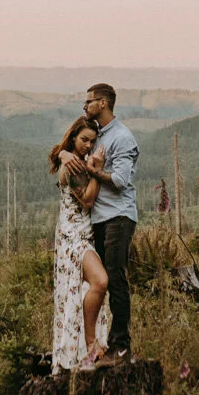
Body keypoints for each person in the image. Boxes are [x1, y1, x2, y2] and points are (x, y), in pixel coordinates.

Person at [58, 83, 138, 366]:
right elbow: (73, 146)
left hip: (118, 217)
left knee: (114, 280)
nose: (85, 106)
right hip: (97, 223)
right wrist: (63, 154)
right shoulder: (98, 134)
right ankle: (91, 345)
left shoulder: (122, 137)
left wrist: (95, 171)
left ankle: (120, 347)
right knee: (101, 282)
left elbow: (121, 180)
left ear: (103, 103)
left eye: (89, 101)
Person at [48, 116, 110, 374]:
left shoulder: (75, 160)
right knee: (100, 281)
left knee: (86, 288)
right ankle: (90, 342)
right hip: (73, 238)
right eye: (84, 139)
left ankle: (86, 347)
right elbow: (87, 199)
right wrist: (97, 170)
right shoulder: (71, 166)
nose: (88, 145)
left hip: (85, 234)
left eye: (92, 141)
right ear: (73, 137)